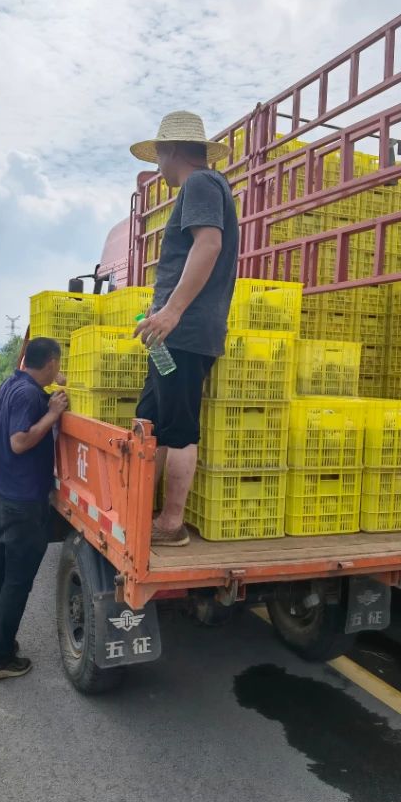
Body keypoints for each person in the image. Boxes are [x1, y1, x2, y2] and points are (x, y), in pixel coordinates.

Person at [129, 111, 240, 546]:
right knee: (151, 418)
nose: (157, 165)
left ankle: (171, 524)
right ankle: (143, 508)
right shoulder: (209, 186)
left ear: (170, 150)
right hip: (171, 335)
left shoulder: (200, 183)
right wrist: (160, 311)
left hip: (184, 334)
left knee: (177, 428)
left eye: (158, 154)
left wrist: (172, 312)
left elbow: (208, 244)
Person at [0, 337, 66, 680]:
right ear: (52, 362)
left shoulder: (12, 384)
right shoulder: (30, 395)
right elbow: (19, 442)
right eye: (58, 365)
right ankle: (0, 659)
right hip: (22, 506)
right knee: (15, 583)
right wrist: (53, 414)